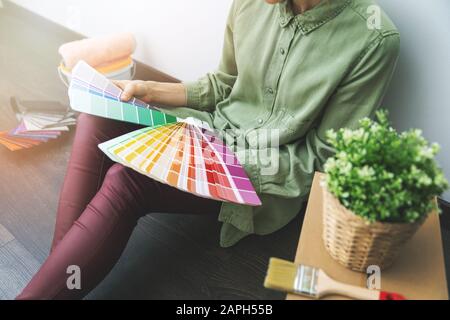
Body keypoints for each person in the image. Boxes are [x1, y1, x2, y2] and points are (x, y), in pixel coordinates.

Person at [17, 0, 400, 299]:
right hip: (210, 129)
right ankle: (60, 274)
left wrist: (219, 158)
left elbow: (321, 161)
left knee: (128, 178)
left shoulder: (372, 39)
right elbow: (225, 84)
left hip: (263, 178)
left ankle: (52, 283)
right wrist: (149, 90)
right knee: (95, 116)